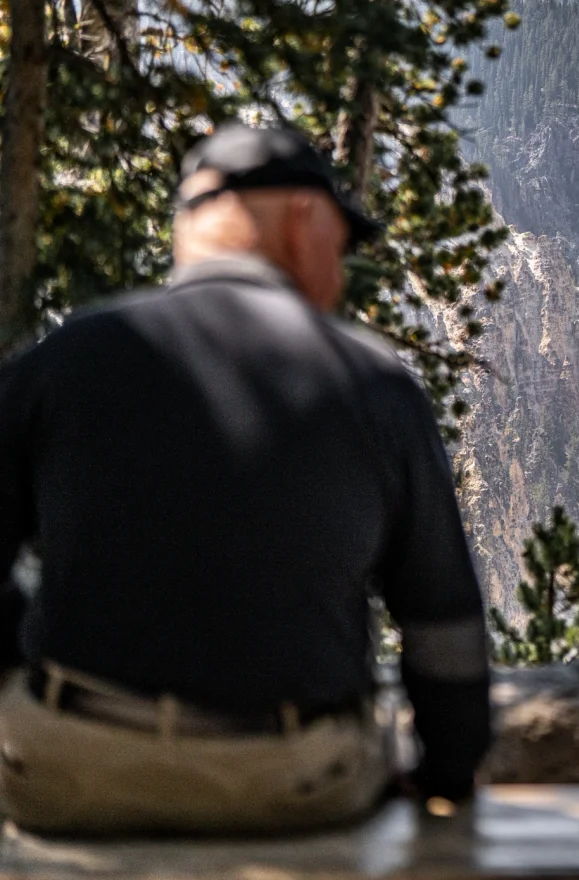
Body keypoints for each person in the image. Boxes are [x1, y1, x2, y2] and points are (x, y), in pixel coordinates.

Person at [0, 125, 491, 835]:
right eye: (341, 244)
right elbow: (442, 623)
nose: (342, 269)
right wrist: (448, 774)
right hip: (294, 782)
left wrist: (22, 650)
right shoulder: (373, 381)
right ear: (303, 217)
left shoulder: (62, 357)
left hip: (69, 771)